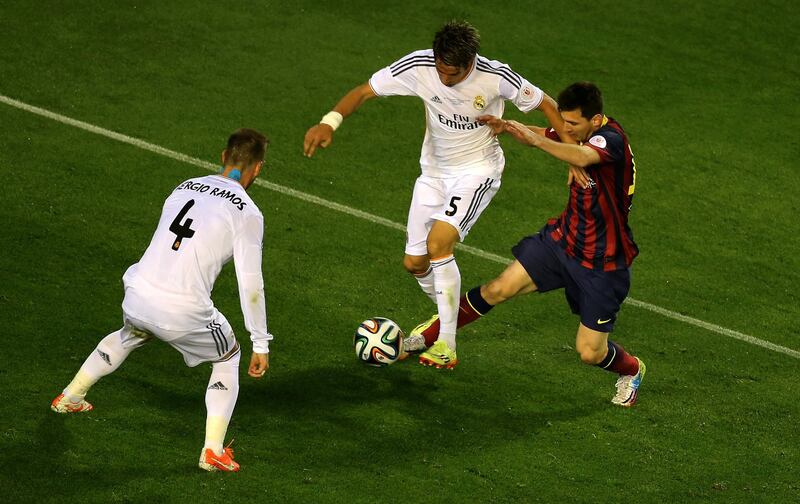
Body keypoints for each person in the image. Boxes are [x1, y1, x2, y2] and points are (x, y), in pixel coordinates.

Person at [304, 20, 569, 369]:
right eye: (441, 70)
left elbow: (548, 104)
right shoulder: (419, 65)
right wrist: (330, 121)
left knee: (439, 244)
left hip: (477, 172)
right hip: (433, 174)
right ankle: (448, 316)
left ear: (471, 62)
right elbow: (364, 91)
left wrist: (572, 156)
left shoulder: (497, 77)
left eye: (453, 74)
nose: (444, 79)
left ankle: (446, 341)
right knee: (415, 263)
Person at [50, 128, 274, 470]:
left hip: (138, 293)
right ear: (257, 169)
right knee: (228, 355)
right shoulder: (248, 212)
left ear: (222, 155)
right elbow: (251, 282)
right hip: (182, 309)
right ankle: (212, 450)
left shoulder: (184, 186)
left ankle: (70, 396)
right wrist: (261, 342)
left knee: (132, 333)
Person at [413, 82, 646, 406]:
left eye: (573, 125)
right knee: (498, 288)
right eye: (563, 122)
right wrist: (510, 127)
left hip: (602, 264)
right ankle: (432, 334)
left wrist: (538, 141)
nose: (566, 129)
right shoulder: (576, 131)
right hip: (562, 243)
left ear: (595, 120)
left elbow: (581, 154)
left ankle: (632, 369)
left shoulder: (611, 140)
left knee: (590, 352)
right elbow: (550, 133)